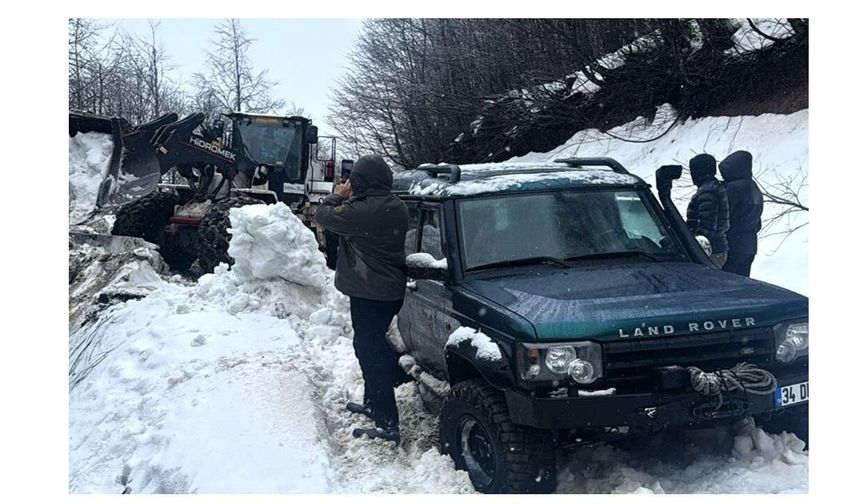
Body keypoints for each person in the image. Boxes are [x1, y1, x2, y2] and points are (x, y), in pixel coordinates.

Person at [314, 154, 410, 444]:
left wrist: (336, 195)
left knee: (371, 354)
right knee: (371, 344)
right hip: (386, 291)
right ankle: (374, 401)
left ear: (361, 182)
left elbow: (323, 216)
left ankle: (387, 423)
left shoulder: (363, 211)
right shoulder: (396, 205)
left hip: (371, 294)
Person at [718, 150, 763, 277]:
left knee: (726, 282)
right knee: (742, 282)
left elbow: (725, 214)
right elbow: (757, 221)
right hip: (750, 244)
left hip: (732, 243)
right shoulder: (754, 187)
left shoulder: (732, 188)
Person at [686, 153, 730, 268]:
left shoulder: (708, 191)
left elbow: (707, 224)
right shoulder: (712, 187)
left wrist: (696, 244)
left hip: (710, 250)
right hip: (715, 248)